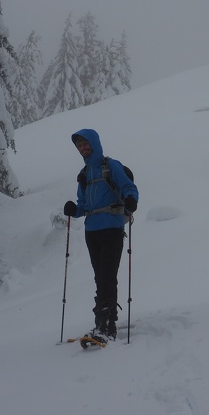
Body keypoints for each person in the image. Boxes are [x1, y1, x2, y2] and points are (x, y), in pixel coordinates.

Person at [63, 129, 138, 342]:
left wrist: (132, 200)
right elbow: (83, 206)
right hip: (92, 231)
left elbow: (129, 188)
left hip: (112, 228)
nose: (83, 148)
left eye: (85, 144)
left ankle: (107, 325)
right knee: (100, 277)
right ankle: (102, 322)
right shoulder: (84, 174)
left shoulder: (111, 165)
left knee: (107, 275)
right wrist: (73, 210)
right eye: (79, 146)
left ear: (94, 143)